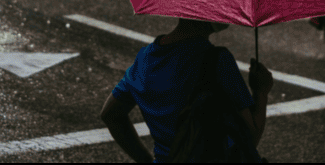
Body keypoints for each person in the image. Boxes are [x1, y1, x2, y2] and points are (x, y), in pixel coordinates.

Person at [101, 18, 274, 163]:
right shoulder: (217, 61)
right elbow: (249, 139)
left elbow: (110, 114)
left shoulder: (145, 58)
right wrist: (261, 91)